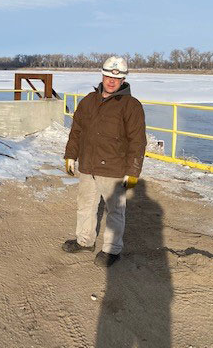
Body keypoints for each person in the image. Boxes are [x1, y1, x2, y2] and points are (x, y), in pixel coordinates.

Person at [62, 56, 146, 267]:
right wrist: (71, 155)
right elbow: (77, 131)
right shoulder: (89, 100)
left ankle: (111, 250)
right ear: (102, 75)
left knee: (115, 211)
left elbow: (138, 142)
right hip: (88, 166)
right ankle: (85, 241)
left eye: (116, 78)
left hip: (114, 169)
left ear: (123, 80)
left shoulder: (131, 106)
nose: (111, 81)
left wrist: (133, 172)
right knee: (85, 206)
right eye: (108, 76)